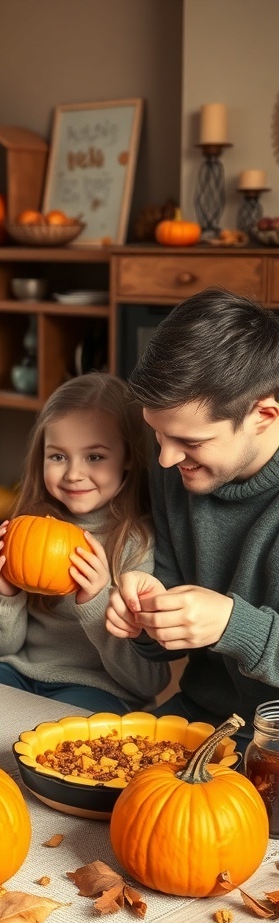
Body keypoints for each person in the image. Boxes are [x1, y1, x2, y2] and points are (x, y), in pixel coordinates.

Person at [105, 286, 279, 750]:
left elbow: (230, 628)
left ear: (263, 414)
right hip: (203, 717)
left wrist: (234, 626)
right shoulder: (178, 467)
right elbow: (174, 647)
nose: (165, 459)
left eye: (190, 442)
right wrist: (151, 616)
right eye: (157, 434)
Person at [0, 372, 169, 712]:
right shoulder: (28, 527)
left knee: (62, 735)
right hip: (22, 672)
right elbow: (1, 646)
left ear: (128, 456)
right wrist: (3, 591)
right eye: (58, 456)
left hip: (103, 688)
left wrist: (97, 601)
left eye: (95, 457)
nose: (73, 474)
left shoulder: (137, 544)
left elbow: (147, 680)